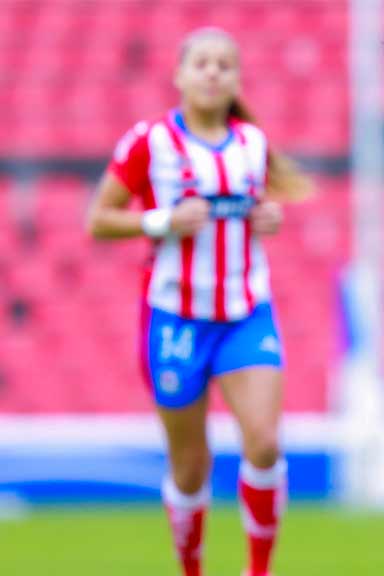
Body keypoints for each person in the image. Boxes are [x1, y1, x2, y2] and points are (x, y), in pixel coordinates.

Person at [86, 28, 311, 576]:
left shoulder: (252, 144)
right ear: (180, 75)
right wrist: (160, 220)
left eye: (224, 65)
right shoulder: (150, 141)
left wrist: (270, 218)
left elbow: (263, 208)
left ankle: (257, 569)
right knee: (190, 467)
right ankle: (192, 568)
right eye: (203, 63)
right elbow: (99, 219)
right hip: (176, 320)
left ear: (236, 79)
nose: (213, 73)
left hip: (244, 313)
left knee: (263, 443)